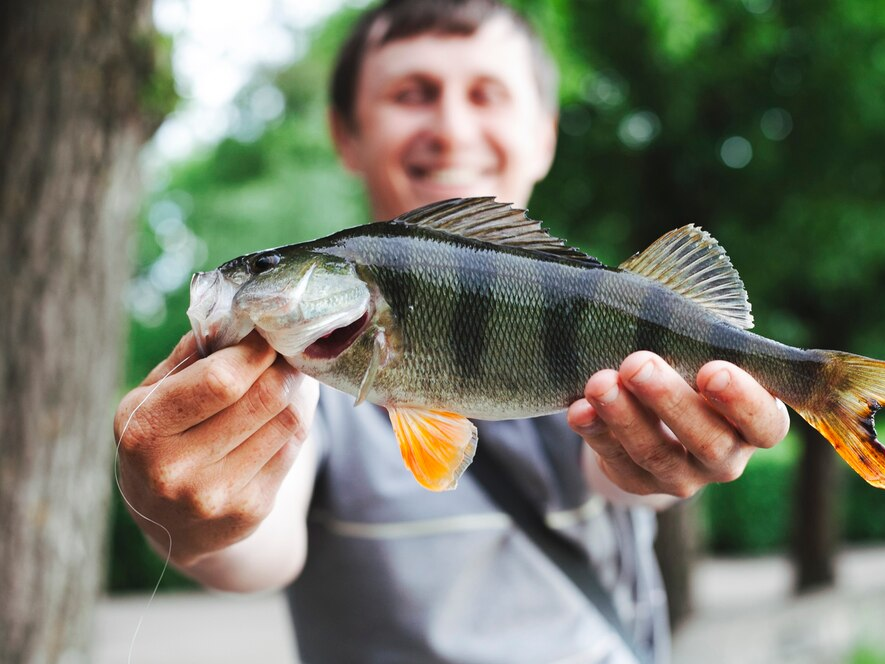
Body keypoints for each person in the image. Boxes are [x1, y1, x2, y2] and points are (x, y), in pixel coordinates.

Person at [114, 1, 790, 661]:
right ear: (345, 134)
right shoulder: (303, 389)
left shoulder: (604, 308)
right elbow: (258, 549)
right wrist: (192, 519)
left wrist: (661, 456)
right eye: (412, 93)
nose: (452, 127)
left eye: (487, 93)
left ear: (544, 134)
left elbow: (614, 474)